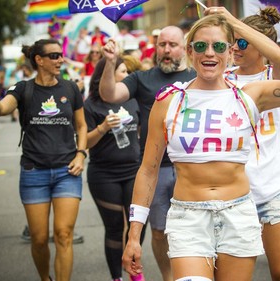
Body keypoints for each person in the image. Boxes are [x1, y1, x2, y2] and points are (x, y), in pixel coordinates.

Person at [121, 1, 280, 280]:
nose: (210, 53)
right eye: (201, 46)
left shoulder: (251, 95)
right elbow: (148, 170)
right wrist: (134, 233)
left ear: (230, 52)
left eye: (219, 47)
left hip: (238, 216)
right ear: (189, 51)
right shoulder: (168, 100)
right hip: (189, 218)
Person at [0, 38, 87, 281]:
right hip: (33, 172)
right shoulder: (23, 88)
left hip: (67, 172)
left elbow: (81, 126)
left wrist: (81, 154)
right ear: (39, 60)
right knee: (38, 239)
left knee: (63, 234)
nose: (60, 59)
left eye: (60, 55)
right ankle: (45, 278)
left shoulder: (70, 89)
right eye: (54, 56)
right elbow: (0, 110)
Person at [99, 26, 197, 281]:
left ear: (184, 48)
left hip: (193, 166)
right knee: (159, 232)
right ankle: (169, 277)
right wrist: (110, 64)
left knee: (198, 228)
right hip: (158, 168)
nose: (166, 50)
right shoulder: (143, 78)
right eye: (161, 44)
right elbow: (110, 94)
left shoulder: (199, 75)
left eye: (172, 45)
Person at [225, 6, 280, 281]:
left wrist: (232, 19)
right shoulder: (224, 79)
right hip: (233, 193)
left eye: (242, 41)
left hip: (274, 190)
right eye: (233, 40)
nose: (235, 47)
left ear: (260, 46)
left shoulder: (275, 77)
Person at [85, 56, 145, 281]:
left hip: (133, 170)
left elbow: (140, 129)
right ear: (106, 75)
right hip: (104, 174)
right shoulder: (92, 104)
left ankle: (134, 271)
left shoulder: (132, 99)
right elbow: (85, 142)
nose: (126, 76)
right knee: (113, 228)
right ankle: (116, 277)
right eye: (122, 71)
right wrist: (102, 128)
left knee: (137, 226)